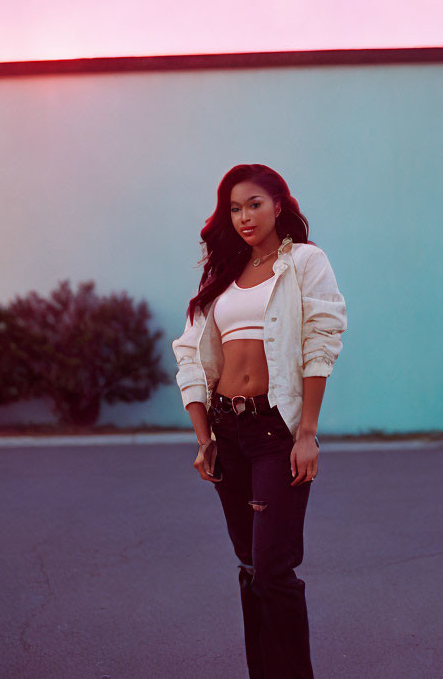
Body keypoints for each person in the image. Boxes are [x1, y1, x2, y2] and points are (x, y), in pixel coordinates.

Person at [172, 163, 347, 679]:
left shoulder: (305, 263)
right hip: (228, 430)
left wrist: (307, 433)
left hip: (276, 430)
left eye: (254, 204)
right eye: (234, 208)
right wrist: (205, 438)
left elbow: (321, 341)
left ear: (277, 205)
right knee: (251, 566)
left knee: (273, 569)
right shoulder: (221, 275)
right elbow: (191, 357)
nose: (244, 216)